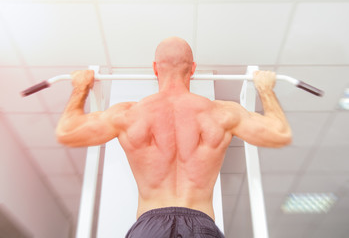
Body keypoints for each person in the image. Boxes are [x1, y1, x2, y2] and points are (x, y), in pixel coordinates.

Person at [56, 37, 292, 238]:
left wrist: (81, 87)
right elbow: (279, 133)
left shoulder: (129, 114)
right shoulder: (220, 113)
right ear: (193, 68)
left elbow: (67, 131)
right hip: (202, 226)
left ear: (155, 68)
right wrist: (265, 88)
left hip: (150, 227)